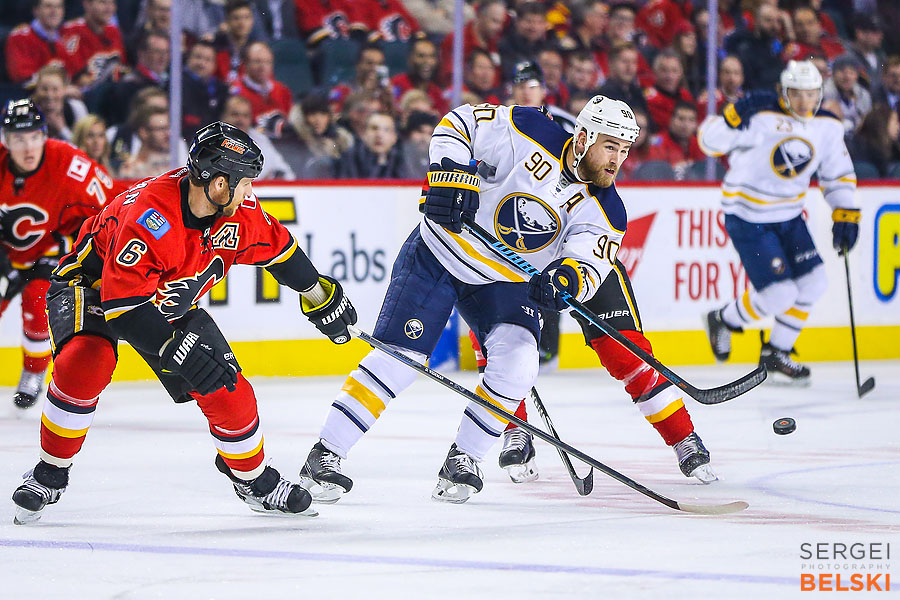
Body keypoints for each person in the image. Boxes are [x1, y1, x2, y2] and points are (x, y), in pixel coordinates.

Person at [297, 93, 715, 506]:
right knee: (398, 360)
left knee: (518, 365)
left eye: (624, 150)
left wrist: (565, 279)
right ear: (584, 137)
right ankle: (326, 454)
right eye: (610, 146)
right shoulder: (528, 128)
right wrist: (450, 174)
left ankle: (464, 459)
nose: (616, 160)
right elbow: (456, 124)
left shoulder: (608, 211)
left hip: (504, 281)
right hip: (440, 253)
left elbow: (588, 264)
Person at [10, 121, 358, 524]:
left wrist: (320, 296)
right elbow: (123, 308)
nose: (250, 192)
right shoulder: (150, 216)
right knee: (86, 360)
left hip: (162, 297)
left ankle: (253, 479)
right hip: (94, 286)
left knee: (227, 387)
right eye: (244, 182)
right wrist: (177, 349)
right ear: (218, 184)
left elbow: (280, 253)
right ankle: (49, 472)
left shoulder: (239, 212)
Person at [700, 60, 859, 385]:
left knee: (814, 282)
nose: (804, 102)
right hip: (748, 217)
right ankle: (723, 318)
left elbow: (838, 174)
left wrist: (846, 211)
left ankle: (777, 352)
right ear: (783, 92)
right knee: (780, 295)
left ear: (819, 94)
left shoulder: (827, 126)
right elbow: (709, 142)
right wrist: (733, 114)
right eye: (796, 94)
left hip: (789, 217)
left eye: (811, 94)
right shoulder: (759, 117)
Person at [0, 99, 112, 409]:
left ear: (44, 135)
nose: (28, 146)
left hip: (51, 250)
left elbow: (111, 207)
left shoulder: (67, 161)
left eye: (34, 136)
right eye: (19, 139)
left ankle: (33, 373)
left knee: (39, 300)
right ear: (6, 141)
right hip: (5, 251)